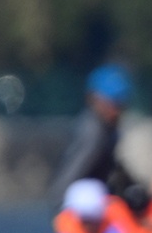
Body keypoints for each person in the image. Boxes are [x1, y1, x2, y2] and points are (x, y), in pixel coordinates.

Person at [50, 64, 136, 203]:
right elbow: (69, 177)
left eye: (121, 104)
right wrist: (63, 210)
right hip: (78, 209)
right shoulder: (93, 134)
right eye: (112, 103)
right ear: (93, 99)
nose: (116, 110)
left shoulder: (107, 129)